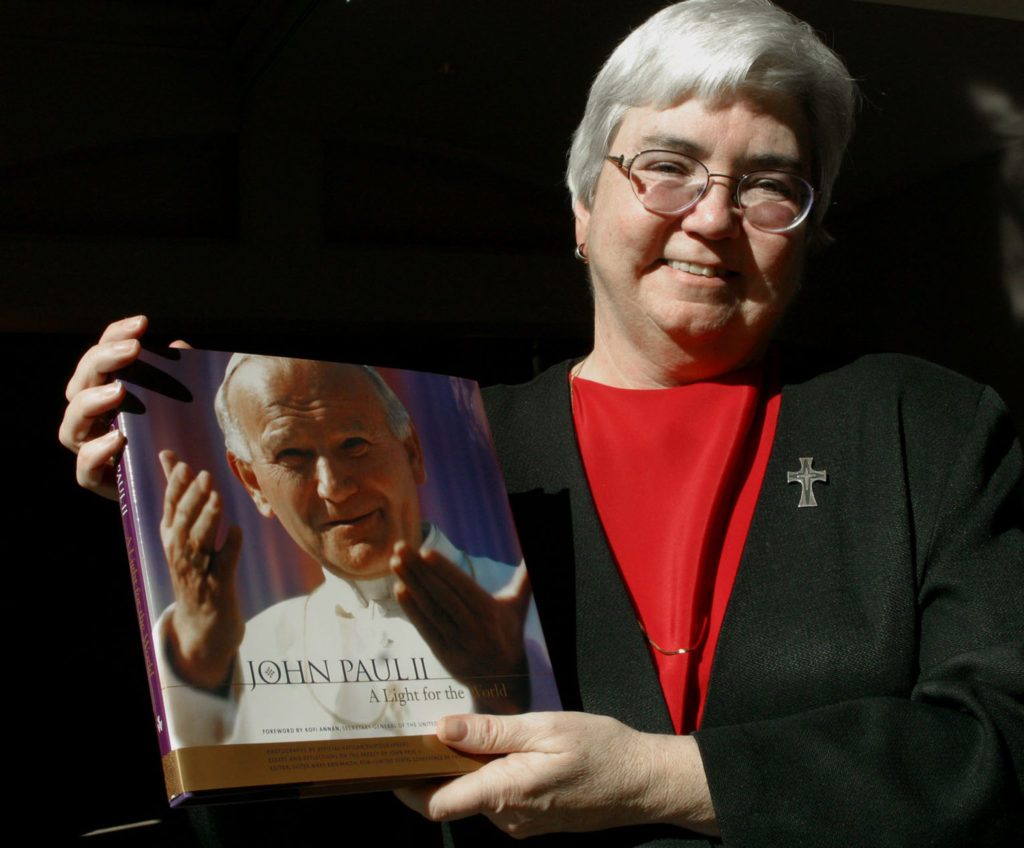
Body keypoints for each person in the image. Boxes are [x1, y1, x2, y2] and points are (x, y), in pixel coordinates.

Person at [60, 0, 1023, 844]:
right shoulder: (459, 449)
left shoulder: (923, 426)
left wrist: (667, 778)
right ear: (580, 206)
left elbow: (1003, 745)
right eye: (667, 166)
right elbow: (292, 814)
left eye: (770, 184)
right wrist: (156, 506)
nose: (713, 218)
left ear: (805, 231)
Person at [152, 353, 551, 746]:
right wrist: (197, 663)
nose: (334, 487)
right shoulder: (252, 651)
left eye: (354, 443)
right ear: (253, 482)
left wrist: (511, 682)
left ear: (410, 450)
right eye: (291, 455)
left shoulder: (530, 605)